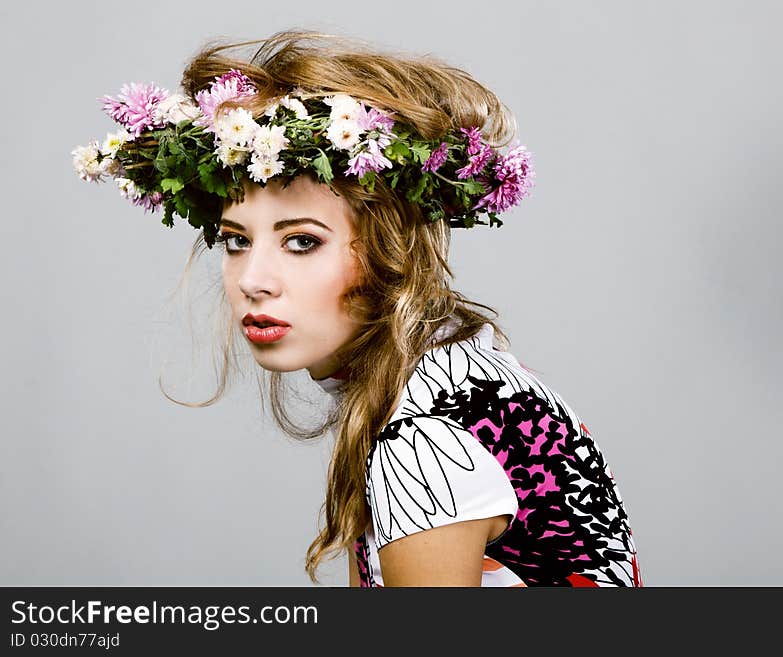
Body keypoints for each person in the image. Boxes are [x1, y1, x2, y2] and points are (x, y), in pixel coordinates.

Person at [72, 29, 643, 587]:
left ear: (389, 253)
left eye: (302, 241)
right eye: (237, 240)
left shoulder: (424, 443)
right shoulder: (453, 376)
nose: (252, 280)